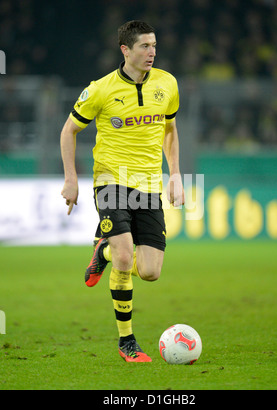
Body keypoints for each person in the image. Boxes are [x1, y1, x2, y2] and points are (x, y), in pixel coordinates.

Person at [60, 20, 185, 362]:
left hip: (148, 185)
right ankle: (127, 342)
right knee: (127, 257)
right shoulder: (100, 89)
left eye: (155, 45)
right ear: (125, 50)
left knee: (150, 272)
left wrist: (175, 174)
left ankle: (103, 252)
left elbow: (170, 130)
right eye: (145, 46)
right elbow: (69, 131)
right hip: (111, 180)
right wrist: (71, 178)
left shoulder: (167, 84)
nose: (152, 52)